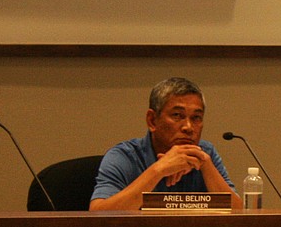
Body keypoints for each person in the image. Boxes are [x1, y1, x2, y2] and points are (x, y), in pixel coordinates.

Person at [90, 77, 241, 210]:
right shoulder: (125, 156)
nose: (188, 127)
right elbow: (99, 215)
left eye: (196, 118)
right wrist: (158, 170)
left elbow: (240, 215)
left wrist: (206, 165)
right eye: (177, 115)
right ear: (152, 120)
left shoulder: (206, 153)